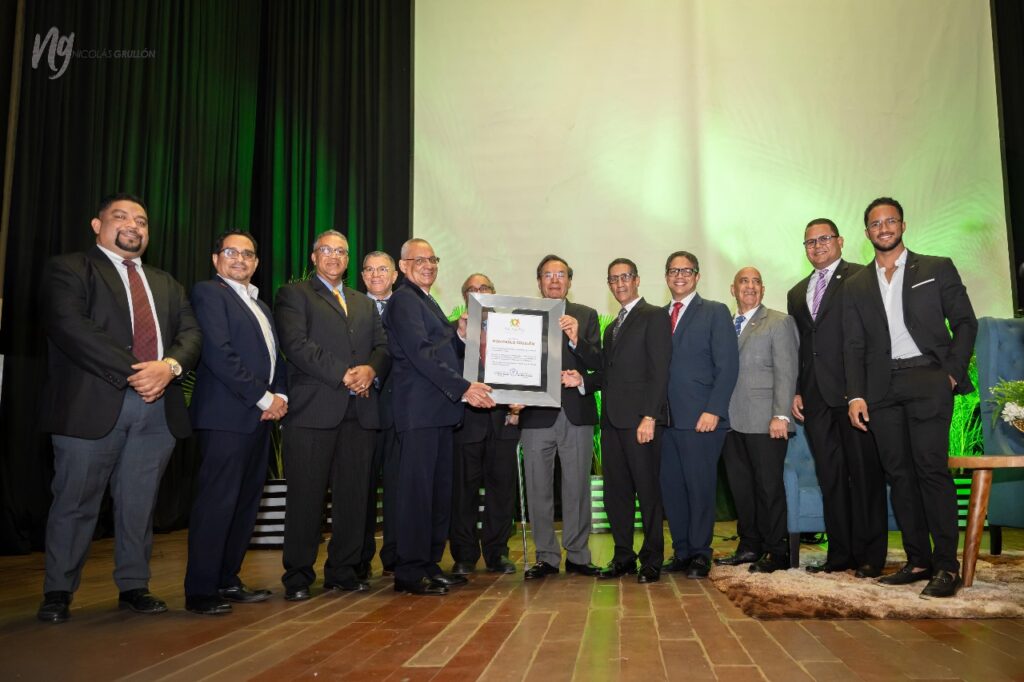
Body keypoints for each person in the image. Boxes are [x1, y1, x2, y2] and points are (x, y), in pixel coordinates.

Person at [37, 193, 202, 623]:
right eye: (121, 217)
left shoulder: (167, 283)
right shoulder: (69, 268)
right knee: (74, 501)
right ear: (97, 225)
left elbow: (191, 335)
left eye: (142, 220)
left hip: (156, 412)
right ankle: (58, 589)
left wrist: (168, 367)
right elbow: (71, 327)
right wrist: (141, 371)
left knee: (139, 503)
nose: (133, 225)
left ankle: (134, 585)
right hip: (89, 406)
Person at [844, 197, 978, 598]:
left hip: (928, 379)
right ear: (867, 232)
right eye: (875, 223)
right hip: (881, 388)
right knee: (899, 476)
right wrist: (855, 395)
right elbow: (853, 344)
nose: (883, 228)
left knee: (930, 471)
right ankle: (918, 560)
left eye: (890, 221)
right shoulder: (856, 284)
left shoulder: (935, 268)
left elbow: (966, 322)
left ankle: (946, 567)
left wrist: (952, 373)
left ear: (902, 225)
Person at [273, 230, 390, 600]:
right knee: (306, 498)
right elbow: (296, 345)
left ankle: (342, 570)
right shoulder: (294, 295)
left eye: (342, 251)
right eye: (327, 250)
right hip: (312, 413)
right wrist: (345, 374)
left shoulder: (363, 303)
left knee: (354, 498)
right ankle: (298, 576)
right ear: (314, 256)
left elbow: (382, 347)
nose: (335, 257)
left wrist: (370, 370)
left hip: (360, 411)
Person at [383, 238, 495, 595]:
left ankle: (429, 563)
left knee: (437, 493)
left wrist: (458, 334)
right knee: (418, 493)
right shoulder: (403, 300)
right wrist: (464, 387)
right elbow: (420, 354)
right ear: (402, 266)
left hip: (439, 414)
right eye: (419, 259)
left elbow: (439, 347)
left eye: (433, 259)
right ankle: (411, 571)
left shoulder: (425, 301)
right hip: (420, 413)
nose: (428, 265)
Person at [184, 230, 288, 615]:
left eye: (248, 254)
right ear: (216, 259)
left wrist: (282, 397)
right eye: (231, 252)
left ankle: (227, 578)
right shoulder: (209, 293)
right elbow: (219, 353)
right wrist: (264, 398)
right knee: (217, 504)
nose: (240, 260)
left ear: (257, 263)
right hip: (226, 417)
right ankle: (201, 590)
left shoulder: (260, 304)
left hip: (259, 418)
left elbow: (276, 358)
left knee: (245, 505)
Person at [786, 219, 887, 577]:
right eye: (809, 242)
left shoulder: (862, 277)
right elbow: (801, 347)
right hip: (815, 398)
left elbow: (873, 336)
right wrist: (797, 388)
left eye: (823, 239)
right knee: (831, 477)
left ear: (840, 241)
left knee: (864, 475)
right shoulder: (797, 292)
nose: (817, 246)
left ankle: (871, 556)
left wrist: (864, 387)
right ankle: (840, 554)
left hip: (853, 395)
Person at [586, 258, 671, 583]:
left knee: (647, 492)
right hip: (611, 423)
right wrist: (580, 381)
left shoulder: (654, 316)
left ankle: (651, 560)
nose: (619, 284)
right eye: (613, 279)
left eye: (625, 277)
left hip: (641, 422)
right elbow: (608, 374)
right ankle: (623, 556)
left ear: (637, 280)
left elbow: (659, 370)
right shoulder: (611, 328)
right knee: (616, 493)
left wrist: (650, 415)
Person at [519, 255, 603, 579]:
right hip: (536, 414)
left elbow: (598, 361)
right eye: (548, 275)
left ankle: (579, 555)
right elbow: (514, 364)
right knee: (538, 488)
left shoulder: (586, 315)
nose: (555, 280)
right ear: (538, 281)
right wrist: (512, 402)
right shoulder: (524, 316)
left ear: (570, 280)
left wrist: (576, 339)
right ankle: (546, 557)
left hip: (575, 412)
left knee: (577, 487)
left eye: (561, 275)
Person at [660, 251, 738, 579]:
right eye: (674, 271)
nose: (680, 276)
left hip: (701, 420)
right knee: (673, 489)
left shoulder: (715, 312)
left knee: (699, 488)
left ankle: (700, 553)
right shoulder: (658, 316)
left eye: (686, 270)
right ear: (666, 276)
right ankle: (681, 551)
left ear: (697, 275)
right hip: (665, 421)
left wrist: (714, 410)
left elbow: (728, 365)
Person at [719, 267, 798, 574]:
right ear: (733, 289)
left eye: (755, 282)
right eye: (743, 281)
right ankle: (749, 545)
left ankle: (777, 551)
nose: (750, 287)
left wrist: (781, 414)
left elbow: (787, 370)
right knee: (742, 488)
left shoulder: (778, 322)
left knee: (768, 488)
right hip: (731, 421)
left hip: (767, 419)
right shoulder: (725, 325)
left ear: (763, 290)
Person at [449, 274, 519, 576]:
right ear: (464, 296)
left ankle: (497, 553)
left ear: (494, 293)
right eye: (472, 290)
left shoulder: (512, 330)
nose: (479, 293)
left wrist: (519, 401)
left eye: (485, 288)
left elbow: (522, 367)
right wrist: (463, 336)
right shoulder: (451, 331)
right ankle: (464, 555)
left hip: (504, 420)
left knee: (501, 491)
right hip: (467, 423)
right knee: (462, 492)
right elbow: (446, 370)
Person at [358, 251, 399, 579]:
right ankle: (359, 558)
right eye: (369, 270)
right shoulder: (352, 307)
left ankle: (396, 556)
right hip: (363, 409)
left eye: (382, 269)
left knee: (399, 488)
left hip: (401, 412)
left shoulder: (408, 306)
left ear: (395, 275)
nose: (375, 275)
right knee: (361, 488)